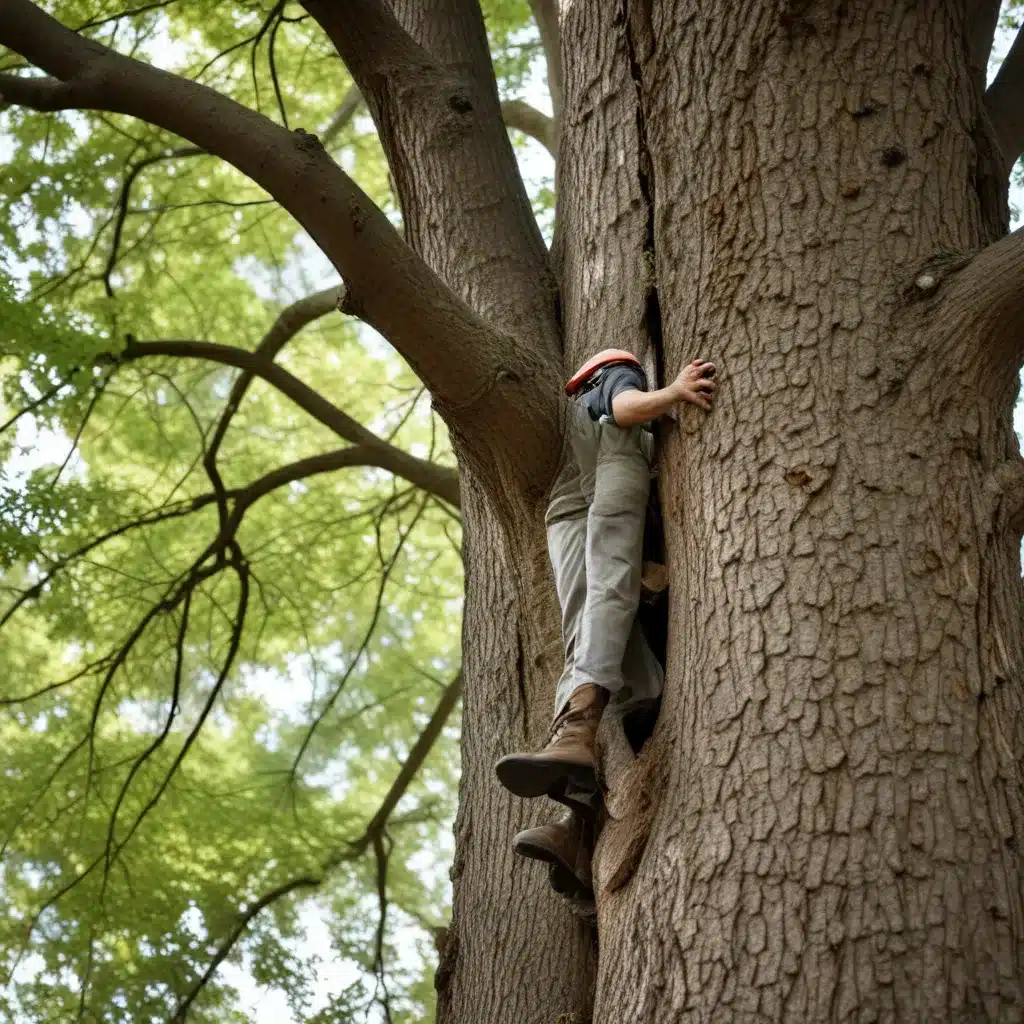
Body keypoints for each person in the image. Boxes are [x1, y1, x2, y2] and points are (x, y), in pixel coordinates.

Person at [494, 350, 717, 897]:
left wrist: (667, 397)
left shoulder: (590, 401)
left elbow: (621, 415)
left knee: (591, 627)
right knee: (608, 595)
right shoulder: (607, 381)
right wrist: (671, 394)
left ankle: (577, 807)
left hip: (569, 512)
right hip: (593, 495)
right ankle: (578, 747)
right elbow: (623, 409)